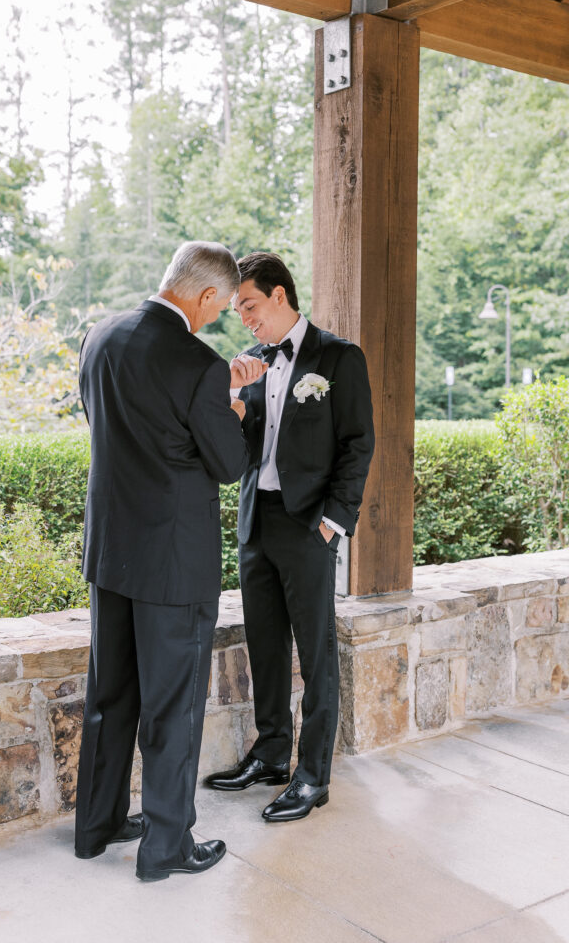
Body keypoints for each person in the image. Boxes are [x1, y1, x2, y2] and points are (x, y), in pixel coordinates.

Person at [75, 241, 252, 882]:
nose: (220, 317)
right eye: (223, 305)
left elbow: (113, 421)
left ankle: (95, 827)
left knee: (110, 696)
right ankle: (168, 848)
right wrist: (233, 406)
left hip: (110, 553)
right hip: (173, 564)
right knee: (174, 706)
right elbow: (228, 464)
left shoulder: (101, 336)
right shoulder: (199, 365)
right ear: (205, 295)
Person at [205, 252, 374, 821]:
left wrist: (333, 521)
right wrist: (230, 401)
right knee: (265, 646)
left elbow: (358, 444)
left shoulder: (339, 357)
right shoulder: (249, 360)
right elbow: (241, 449)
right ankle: (272, 753)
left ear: (279, 295)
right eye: (236, 311)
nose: (243, 319)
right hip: (257, 522)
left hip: (308, 525)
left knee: (317, 653)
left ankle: (312, 775)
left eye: (249, 306)